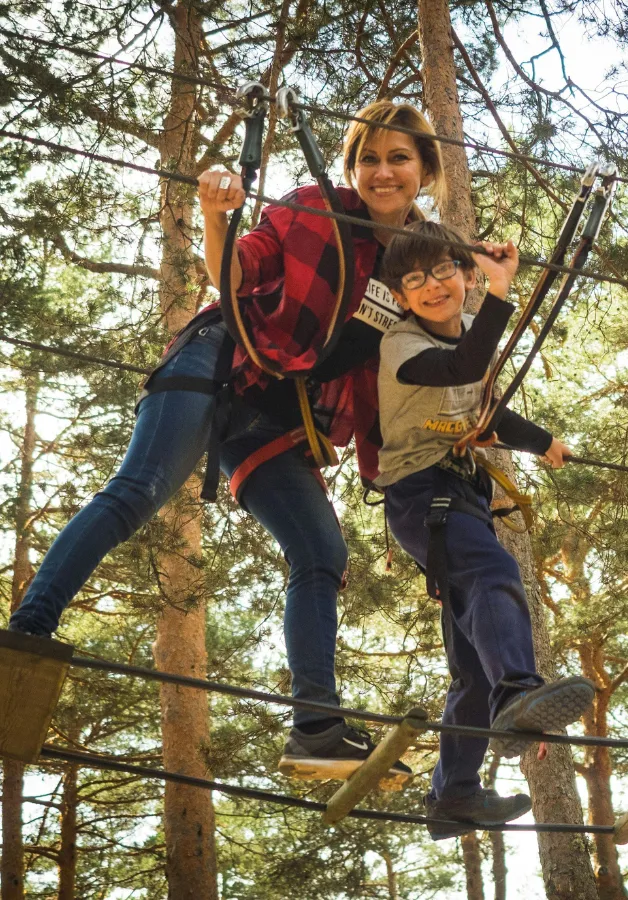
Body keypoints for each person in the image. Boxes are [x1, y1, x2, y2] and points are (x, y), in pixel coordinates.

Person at [7, 100, 446, 785]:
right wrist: (217, 217)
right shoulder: (311, 208)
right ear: (350, 166)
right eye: (368, 158)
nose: (382, 172)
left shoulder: (426, 264)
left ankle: (316, 730)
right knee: (139, 490)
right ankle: (27, 632)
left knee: (321, 552)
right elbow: (235, 273)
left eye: (398, 158)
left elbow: (413, 376)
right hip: (222, 364)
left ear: (426, 170)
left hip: (282, 416)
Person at [375, 220, 596, 839]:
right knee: (493, 572)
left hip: (460, 493)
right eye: (414, 279)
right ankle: (516, 691)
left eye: (444, 270)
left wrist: (542, 441)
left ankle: (455, 794)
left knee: (473, 662)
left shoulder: (474, 328)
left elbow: (484, 411)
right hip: (421, 494)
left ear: (465, 275)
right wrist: (501, 291)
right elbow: (460, 367)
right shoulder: (401, 344)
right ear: (400, 296)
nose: (432, 286)